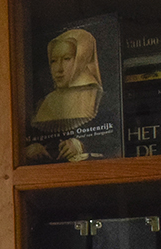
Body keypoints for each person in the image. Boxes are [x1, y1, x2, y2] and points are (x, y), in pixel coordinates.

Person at [24, 28, 104, 163]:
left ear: (81, 59)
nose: (59, 69)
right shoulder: (43, 103)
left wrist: (80, 145)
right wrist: (28, 149)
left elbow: (111, 139)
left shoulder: (100, 98)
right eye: (54, 61)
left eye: (67, 59)